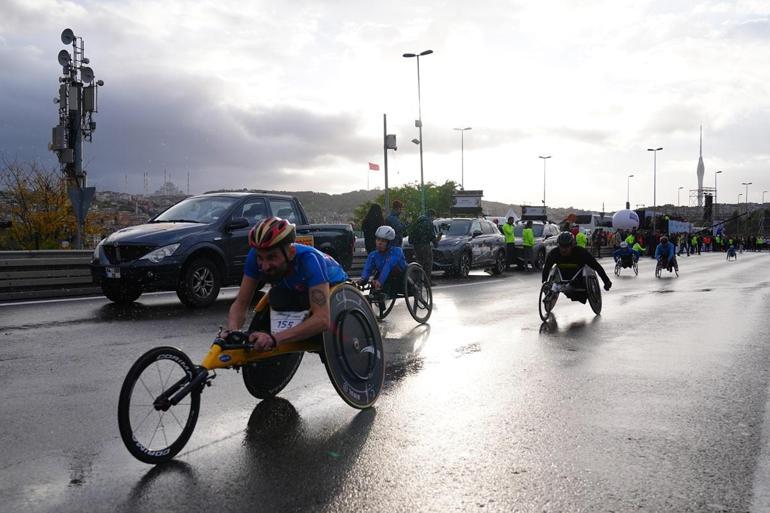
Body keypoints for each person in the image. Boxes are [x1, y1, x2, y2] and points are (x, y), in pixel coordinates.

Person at [225, 217, 348, 351]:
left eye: (272, 257)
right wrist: (233, 332)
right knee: (276, 297)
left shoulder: (310, 260)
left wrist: (275, 339)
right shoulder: (254, 257)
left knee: (299, 301)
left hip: (331, 286)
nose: (265, 266)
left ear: (290, 253)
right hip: (293, 287)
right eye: (260, 258)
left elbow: (322, 320)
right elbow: (241, 304)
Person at [542, 232, 612, 304]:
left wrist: (606, 281)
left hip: (579, 280)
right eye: (561, 246)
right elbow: (547, 268)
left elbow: (596, 266)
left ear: (572, 245)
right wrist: (544, 282)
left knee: (580, 295)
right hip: (562, 277)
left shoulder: (581, 253)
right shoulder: (554, 253)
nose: (563, 250)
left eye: (566, 247)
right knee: (555, 272)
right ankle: (554, 289)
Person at [358, 225, 408, 298]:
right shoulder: (373, 255)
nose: (379, 243)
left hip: (400, 277)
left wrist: (380, 281)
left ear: (389, 243)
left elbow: (388, 265)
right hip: (384, 275)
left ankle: (384, 292)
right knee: (375, 281)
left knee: (386, 278)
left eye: (383, 241)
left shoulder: (396, 252)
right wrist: (363, 279)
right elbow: (367, 268)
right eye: (378, 240)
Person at [409, 209, 440, 284]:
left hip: (416, 246)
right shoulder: (429, 222)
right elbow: (431, 235)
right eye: (433, 217)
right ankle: (427, 281)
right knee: (428, 264)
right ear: (432, 215)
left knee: (419, 263)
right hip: (425, 245)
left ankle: (417, 280)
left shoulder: (418, 221)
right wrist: (436, 242)